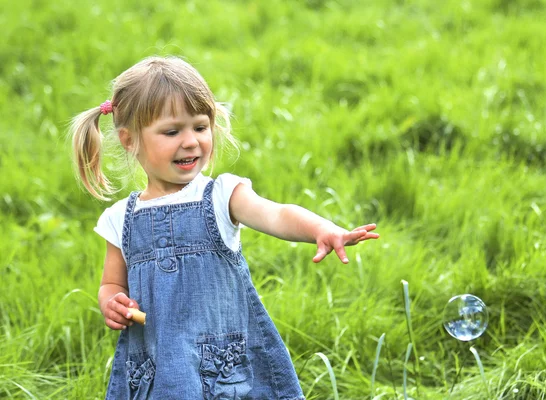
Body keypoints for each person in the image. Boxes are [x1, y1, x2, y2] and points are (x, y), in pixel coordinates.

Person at [70, 56, 379, 400]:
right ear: (129, 140)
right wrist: (111, 302)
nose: (190, 141)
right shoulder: (120, 218)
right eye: (172, 131)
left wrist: (321, 228)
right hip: (156, 365)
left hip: (223, 367)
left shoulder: (220, 195)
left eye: (200, 127)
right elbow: (112, 282)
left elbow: (275, 214)